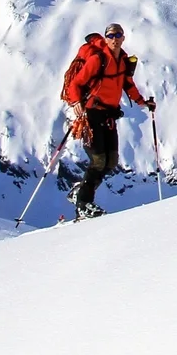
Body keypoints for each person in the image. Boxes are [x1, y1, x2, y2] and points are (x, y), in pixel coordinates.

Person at [60, 22, 155, 219]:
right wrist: (77, 101)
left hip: (109, 114)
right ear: (105, 38)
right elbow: (77, 84)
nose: (115, 39)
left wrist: (142, 102)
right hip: (92, 113)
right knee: (98, 160)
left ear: (123, 37)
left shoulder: (122, 60)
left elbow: (127, 84)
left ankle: (81, 191)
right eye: (111, 36)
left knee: (110, 161)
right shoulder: (98, 59)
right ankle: (84, 203)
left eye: (118, 35)